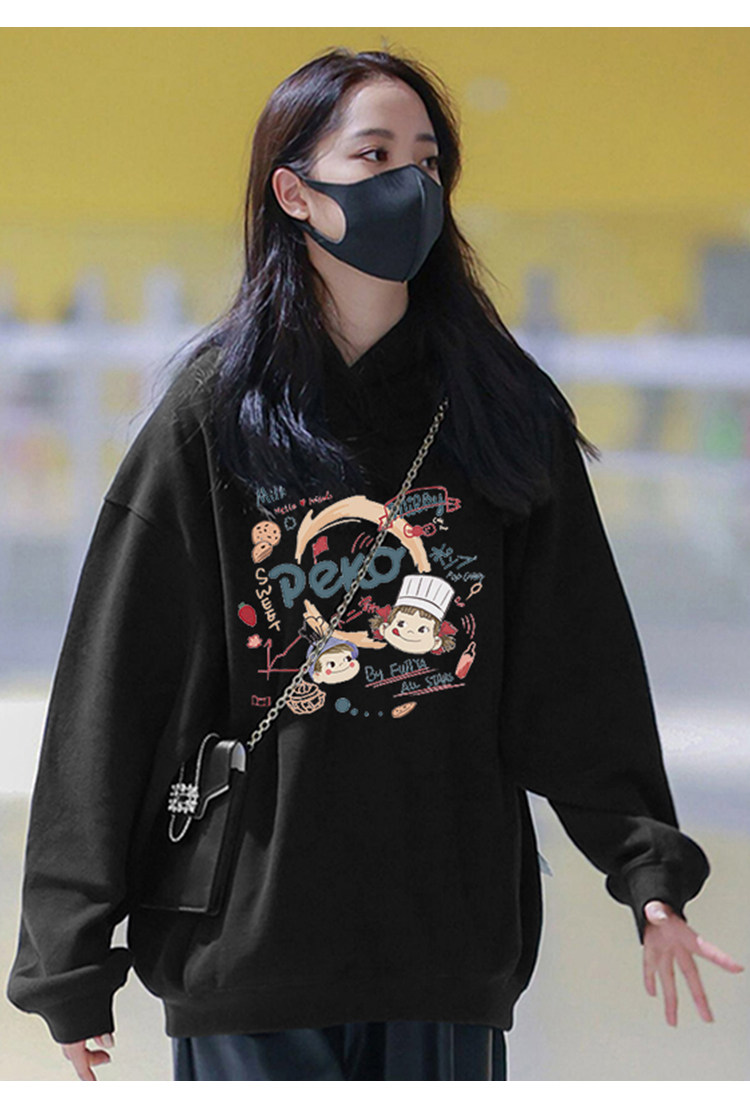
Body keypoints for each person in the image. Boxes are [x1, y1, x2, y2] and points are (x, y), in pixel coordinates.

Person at [6, 47, 744, 1083]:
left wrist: (646, 871)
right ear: (294, 191)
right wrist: (69, 953)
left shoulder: (502, 414)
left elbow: (578, 670)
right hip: (248, 946)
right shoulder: (214, 418)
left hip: (442, 946)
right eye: (376, 154)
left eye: (428, 161)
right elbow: (117, 685)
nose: (411, 184)